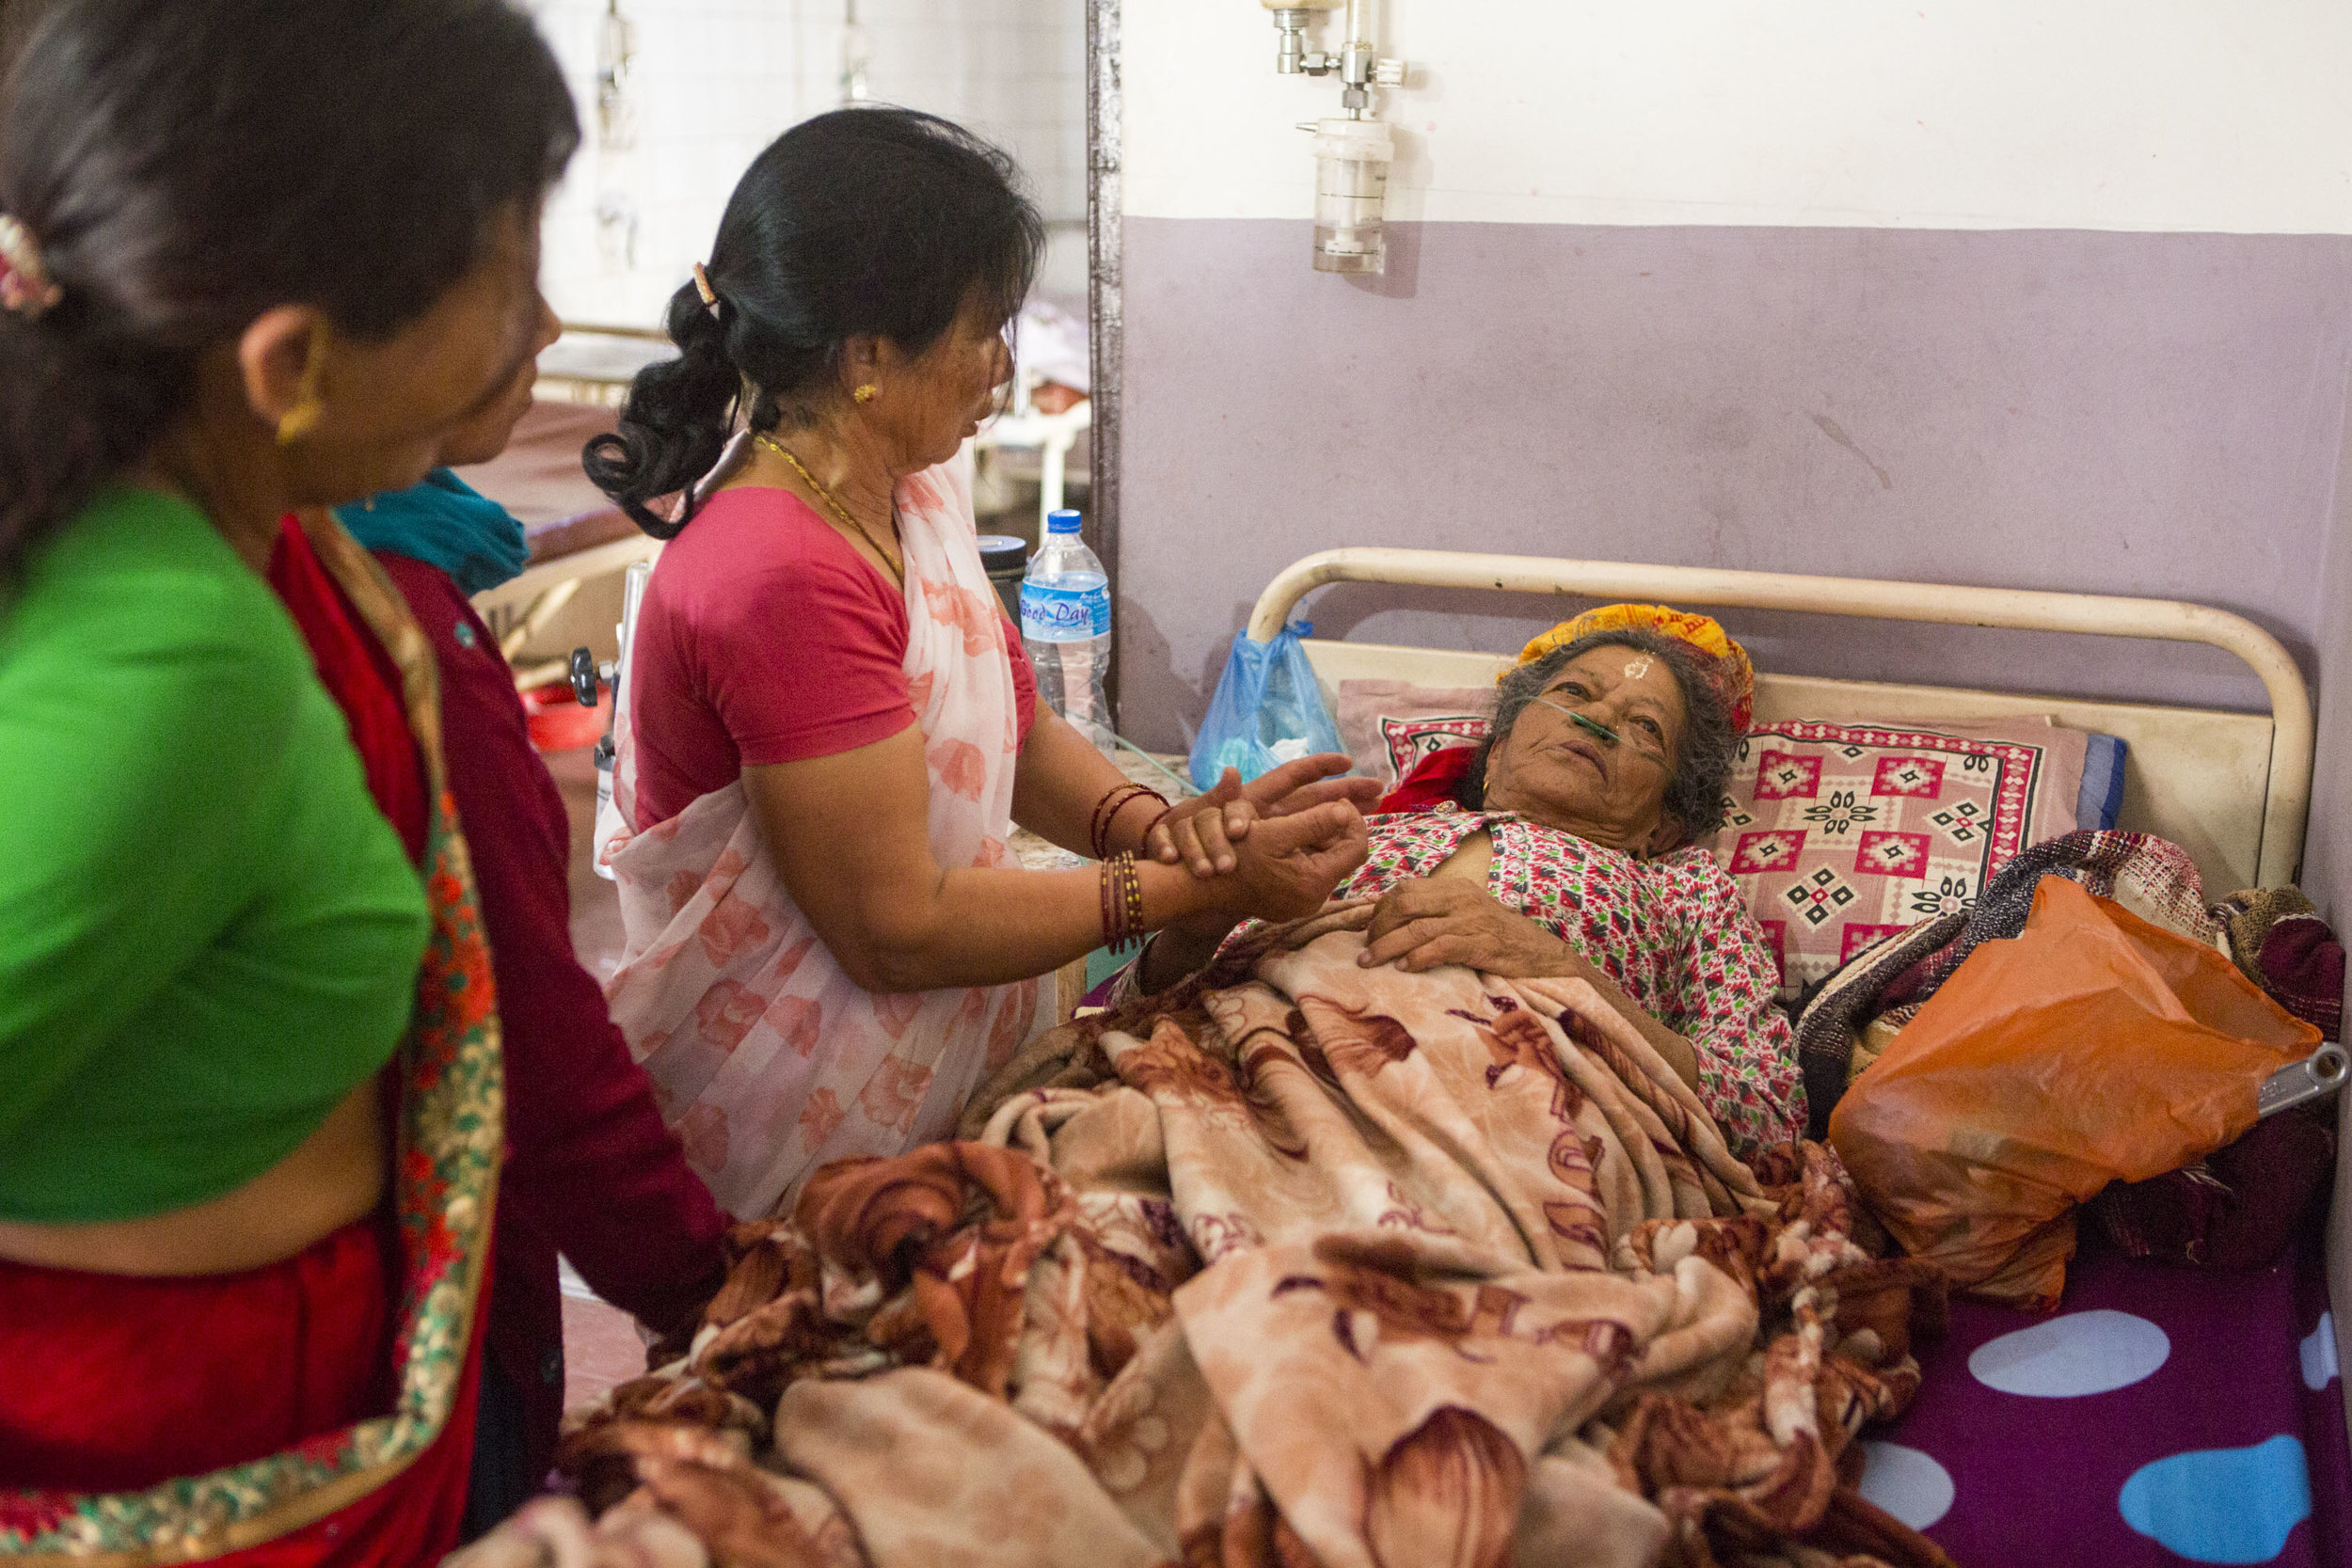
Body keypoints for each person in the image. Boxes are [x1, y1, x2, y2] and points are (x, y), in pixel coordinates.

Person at [0, 0, 576, 1558]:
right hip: (163, 1451)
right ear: (294, 361)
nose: (537, 326)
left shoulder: (204, 537)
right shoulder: (184, 667)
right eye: (506, 274)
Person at [584, 107, 1375, 1220]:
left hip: (917, 1060)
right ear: (866, 355)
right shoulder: (778, 572)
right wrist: (1191, 888)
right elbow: (893, 928)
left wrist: (1164, 825)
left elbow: (1019, 715)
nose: (1002, 363)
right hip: (800, 1124)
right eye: (981, 327)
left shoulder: (906, 490)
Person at [326, 341, 730, 1531]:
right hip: (376, 1340)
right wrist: (709, 1282)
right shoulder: (381, 630)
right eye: (499, 269)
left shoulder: (368, 579)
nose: (545, 326)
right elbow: (523, 1037)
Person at [1136, 606, 1807, 1157]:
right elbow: (1151, 1002)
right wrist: (1202, 912)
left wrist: (1563, 972)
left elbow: (1768, 1111)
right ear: (1496, 755)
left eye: (1645, 727)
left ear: (1662, 825)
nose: (1597, 722)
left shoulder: (1686, 891)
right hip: (1257, 1075)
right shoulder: (1354, 837)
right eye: (1575, 692)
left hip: (1519, 1131)